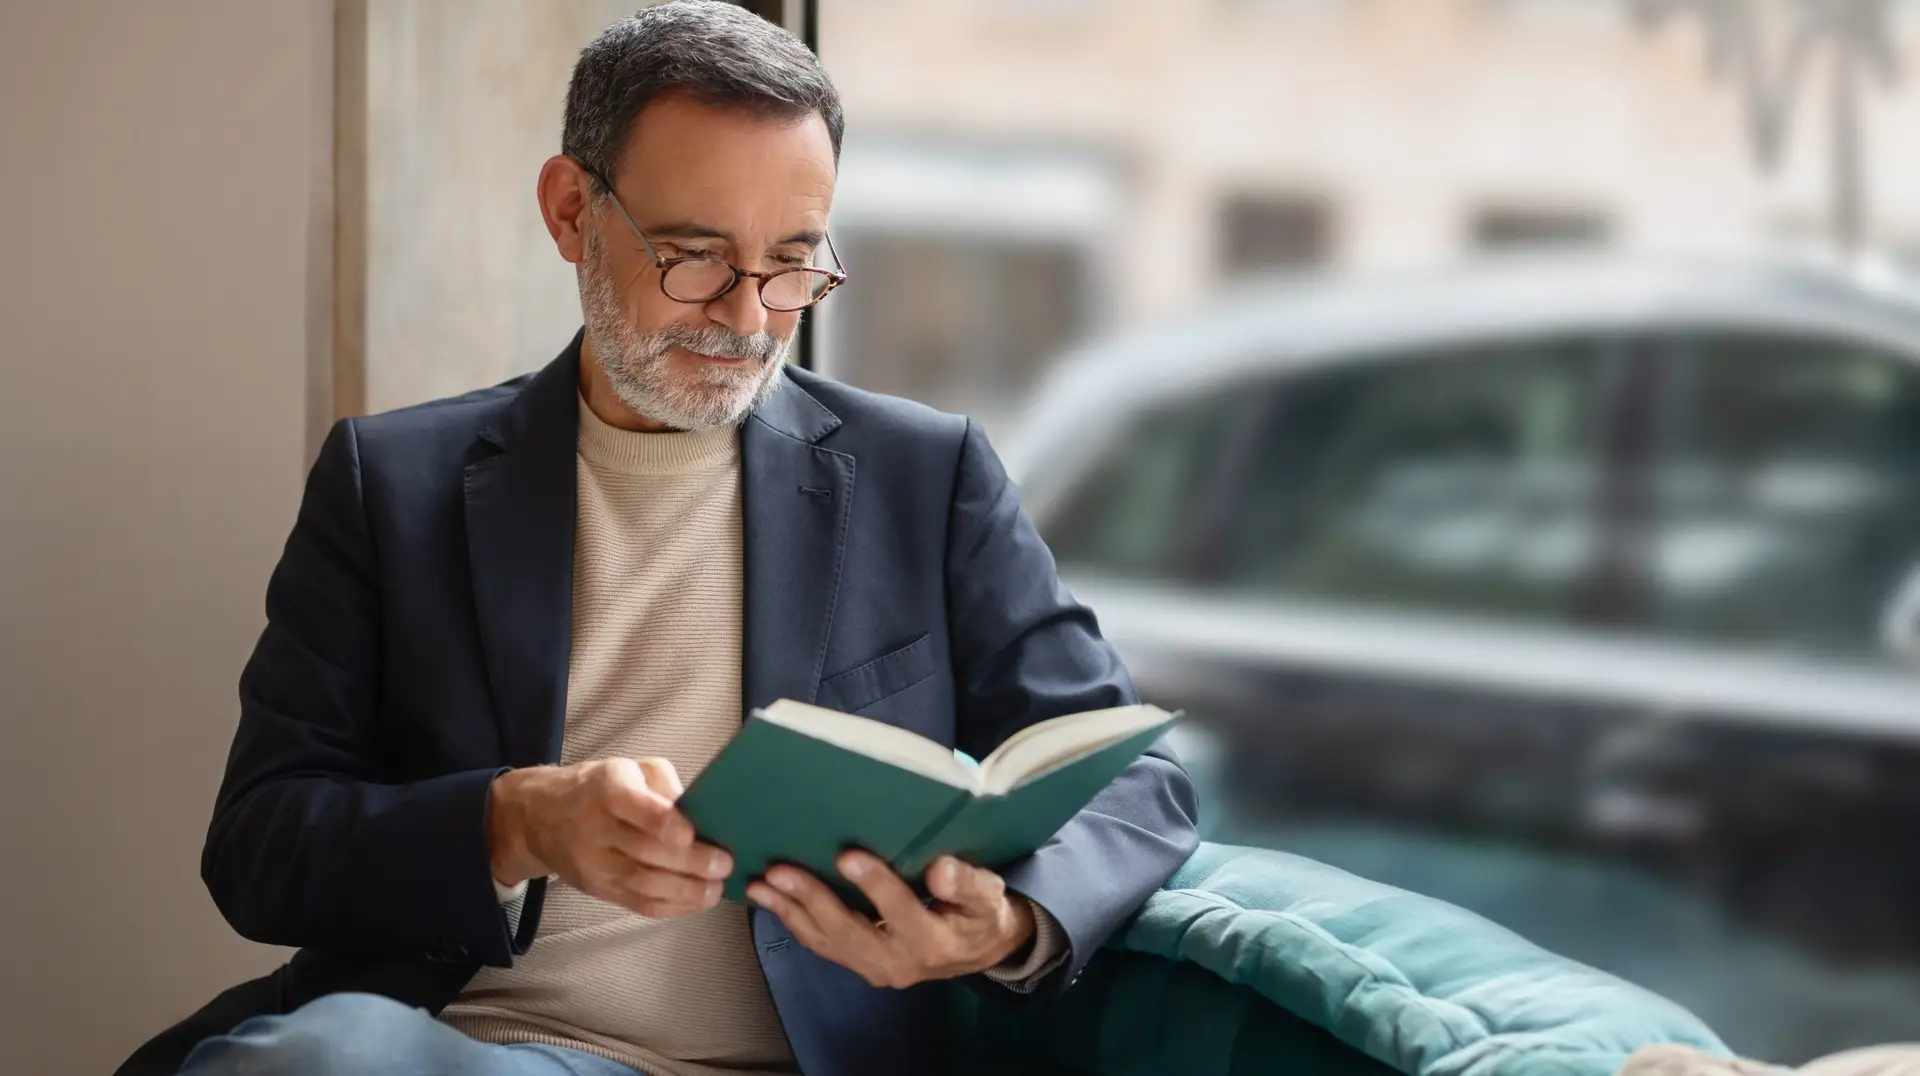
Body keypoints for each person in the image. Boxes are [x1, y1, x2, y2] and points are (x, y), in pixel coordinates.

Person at [113, 4, 1198, 1075]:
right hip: (457, 1044)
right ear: (570, 211)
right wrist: (512, 822)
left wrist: (1006, 925)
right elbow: (260, 846)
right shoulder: (393, 483)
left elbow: (1135, 777)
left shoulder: (927, 476)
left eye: (792, 261)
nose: (749, 318)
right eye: (694, 256)